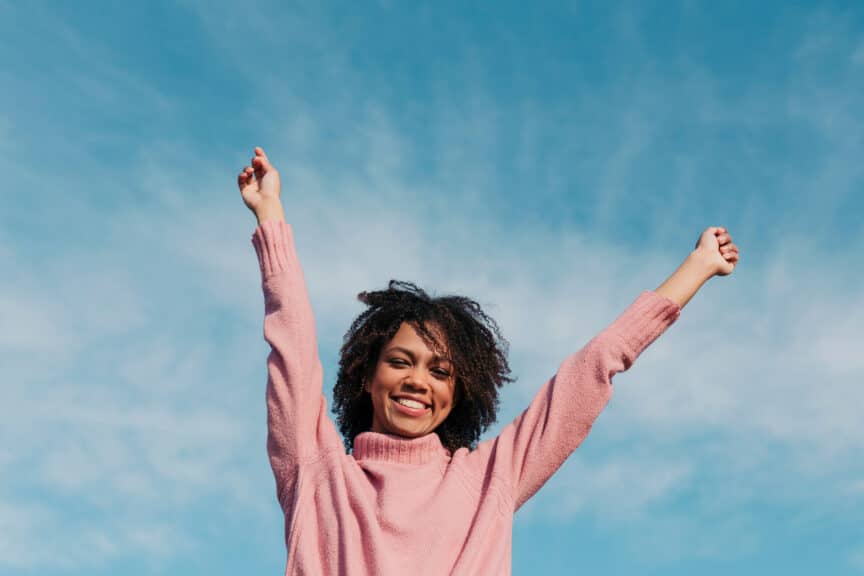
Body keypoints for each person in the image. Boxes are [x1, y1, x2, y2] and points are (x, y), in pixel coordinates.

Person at [237, 146, 740, 575]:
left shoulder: (486, 480)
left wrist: (695, 269)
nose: (418, 382)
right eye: (400, 363)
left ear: (458, 395)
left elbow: (590, 371)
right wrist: (271, 216)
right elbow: (293, 348)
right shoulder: (317, 473)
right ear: (366, 376)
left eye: (440, 372)